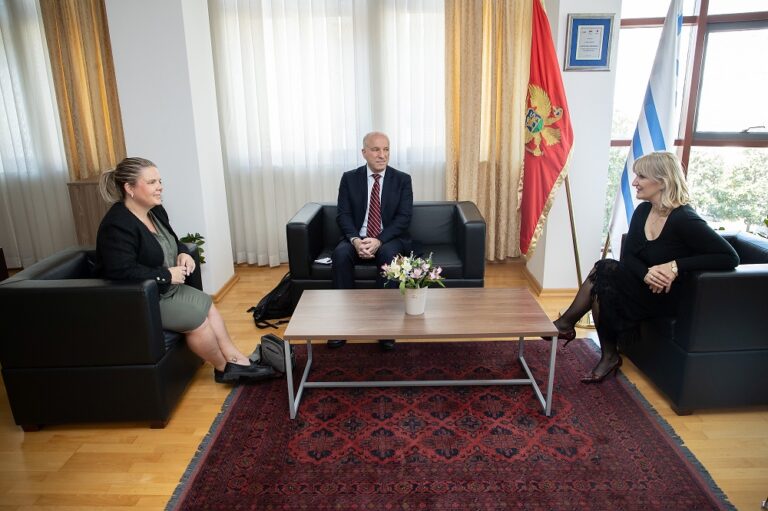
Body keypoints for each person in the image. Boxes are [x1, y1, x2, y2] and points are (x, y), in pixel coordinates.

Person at [554, 152, 739, 383]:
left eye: (641, 177)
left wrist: (675, 266)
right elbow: (629, 256)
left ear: (662, 181)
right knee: (603, 278)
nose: (635, 182)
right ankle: (602, 352)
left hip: (666, 297)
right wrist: (646, 273)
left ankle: (571, 329)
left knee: (604, 272)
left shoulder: (684, 218)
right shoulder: (643, 211)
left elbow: (729, 257)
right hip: (643, 286)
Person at [95, 157, 274, 384]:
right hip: (142, 299)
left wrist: (183, 252)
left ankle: (237, 359)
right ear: (129, 188)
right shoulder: (117, 224)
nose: (160, 187)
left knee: (208, 305)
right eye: (151, 182)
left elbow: (171, 240)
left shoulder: (155, 211)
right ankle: (223, 368)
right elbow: (120, 272)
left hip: (165, 290)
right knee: (197, 320)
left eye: (160, 181)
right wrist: (166, 275)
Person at [329, 132, 414, 351]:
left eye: (386, 149)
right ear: (364, 152)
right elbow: (343, 215)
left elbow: (404, 218)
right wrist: (355, 240)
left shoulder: (402, 179)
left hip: (388, 238)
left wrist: (379, 240)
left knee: (388, 255)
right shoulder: (349, 178)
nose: (382, 155)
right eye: (376, 149)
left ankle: (384, 326)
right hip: (357, 236)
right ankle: (342, 323)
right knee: (340, 254)